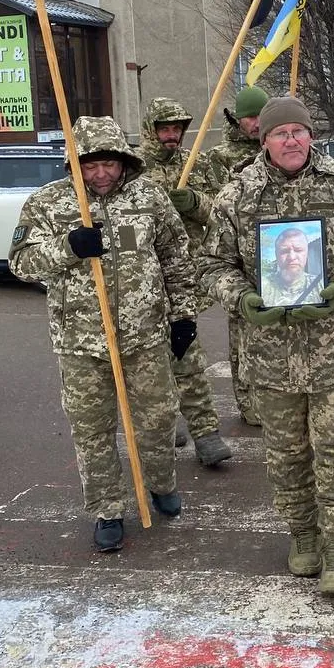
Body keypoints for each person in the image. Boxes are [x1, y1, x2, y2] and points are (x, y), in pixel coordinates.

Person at [200, 95, 334, 597]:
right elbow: (212, 264)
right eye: (280, 132)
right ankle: (303, 534)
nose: (291, 140)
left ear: (312, 136)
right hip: (270, 355)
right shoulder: (237, 194)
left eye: (299, 131)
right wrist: (240, 297)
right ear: (263, 139)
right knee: (286, 455)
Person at [9, 116, 197, 552]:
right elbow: (20, 263)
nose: (101, 174)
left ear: (123, 161)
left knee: (158, 420)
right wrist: (69, 248)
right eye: (90, 165)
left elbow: (176, 257)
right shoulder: (49, 203)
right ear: (75, 164)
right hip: (81, 341)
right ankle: (107, 509)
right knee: (93, 431)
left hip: (145, 335)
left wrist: (182, 316)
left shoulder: (149, 197)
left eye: (109, 164)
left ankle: (161, 483)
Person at [137, 97, 231, 467]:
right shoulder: (133, 169)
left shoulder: (198, 163)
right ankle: (167, 421)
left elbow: (222, 210)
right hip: (142, 281)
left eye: (177, 128)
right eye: (165, 128)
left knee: (187, 352)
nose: (172, 136)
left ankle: (206, 434)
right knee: (151, 361)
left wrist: (193, 202)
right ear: (151, 129)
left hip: (182, 276)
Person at [206, 85, 267, 426]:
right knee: (243, 332)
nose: (257, 124)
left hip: (275, 250)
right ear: (238, 120)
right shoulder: (222, 156)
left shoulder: (275, 147)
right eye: (250, 117)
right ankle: (248, 402)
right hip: (240, 255)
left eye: (262, 116)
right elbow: (217, 207)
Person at [260, 227, 323, 307]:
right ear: (276, 255)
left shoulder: (320, 284)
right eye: (284, 251)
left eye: (298, 250)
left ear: (306, 253)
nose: (292, 257)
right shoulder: (263, 286)